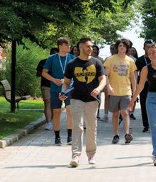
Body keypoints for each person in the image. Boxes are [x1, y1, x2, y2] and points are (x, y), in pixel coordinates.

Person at [60, 37, 107, 167]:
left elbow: (103, 79)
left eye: (91, 46)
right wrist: (63, 93)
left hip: (92, 100)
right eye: (88, 46)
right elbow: (66, 83)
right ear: (80, 47)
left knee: (92, 127)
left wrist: (98, 89)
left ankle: (91, 154)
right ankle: (75, 156)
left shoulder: (96, 62)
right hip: (76, 98)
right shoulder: (72, 64)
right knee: (78, 126)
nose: (91, 49)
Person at [42, 37, 76, 145]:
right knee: (56, 112)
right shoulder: (52, 58)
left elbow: (77, 73)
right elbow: (44, 72)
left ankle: (70, 137)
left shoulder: (72, 58)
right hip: (55, 89)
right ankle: (57, 137)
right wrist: (53, 80)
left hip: (69, 88)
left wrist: (68, 80)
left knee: (70, 111)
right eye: (67, 45)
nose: (69, 47)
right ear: (60, 46)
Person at [104, 38, 137, 144]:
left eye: (123, 46)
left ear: (127, 48)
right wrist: (108, 87)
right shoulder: (110, 59)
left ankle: (127, 133)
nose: (121, 47)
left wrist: (135, 92)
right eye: (120, 46)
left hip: (126, 91)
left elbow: (132, 77)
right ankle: (116, 134)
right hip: (114, 91)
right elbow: (106, 75)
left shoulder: (130, 61)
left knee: (125, 112)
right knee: (115, 114)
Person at [36, 47, 58, 131]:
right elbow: (38, 74)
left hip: (56, 86)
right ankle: (49, 123)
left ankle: (52, 120)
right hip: (46, 85)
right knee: (48, 102)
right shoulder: (43, 62)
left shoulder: (60, 63)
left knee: (54, 104)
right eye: (52, 53)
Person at [135, 40, 153, 132]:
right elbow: (135, 73)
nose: (149, 48)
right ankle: (146, 125)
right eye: (147, 47)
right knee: (144, 104)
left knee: (153, 105)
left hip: (154, 85)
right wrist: (135, 86)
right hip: (143, 86)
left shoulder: (154, 58)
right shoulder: (140, 60)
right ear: (143, 48)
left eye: (150, 46)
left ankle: (153, 124)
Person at [101, 44, 117, 122]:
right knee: (107, 97)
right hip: (108, 80)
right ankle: (105, 115)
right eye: (111, 48)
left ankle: (117, 115)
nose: (112, 49)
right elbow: (104, 70)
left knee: (117, 98)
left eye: (113, 48)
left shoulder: (120, 58)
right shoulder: (107, 59)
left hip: (117, 81)